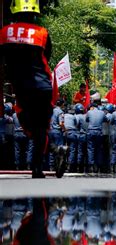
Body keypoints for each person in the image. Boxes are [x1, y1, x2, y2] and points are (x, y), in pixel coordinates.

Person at [1, 0, 67, 178]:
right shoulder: (42, 33)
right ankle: (40, 166)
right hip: (43, 86)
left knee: (27, 125)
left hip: (22, 88)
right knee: (40, 128)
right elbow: (47, 56)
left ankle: (54, 151)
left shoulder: (4, 32)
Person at [86, 103, 108, 173]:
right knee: (99, 149)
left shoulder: (89, 112)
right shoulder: (102, 112)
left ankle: (91, 166)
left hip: (91, 132)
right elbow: (106, 120)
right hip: (99, 132)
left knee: (90, 149)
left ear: (92, 107)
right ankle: (98, 166)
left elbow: (87, 120)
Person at [48, 99, 65, 170]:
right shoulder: (60, 112)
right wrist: (65, 129)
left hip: (50, 131)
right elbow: (61, 123)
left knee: (52, 149)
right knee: (59, 149)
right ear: (61, 104)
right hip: (57, 132)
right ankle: (57, 166)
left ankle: (51, 165)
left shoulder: (52, 110)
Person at [64, 105, 80, 172]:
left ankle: (62, 164)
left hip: (64, 133)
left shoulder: (63, 115)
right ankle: (70, 165)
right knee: (72, 150)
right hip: (72, 133)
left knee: (63, 149)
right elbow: (76, 125)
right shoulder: (73, 117)